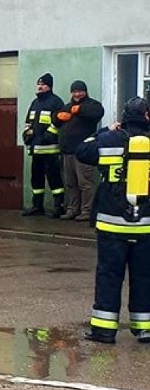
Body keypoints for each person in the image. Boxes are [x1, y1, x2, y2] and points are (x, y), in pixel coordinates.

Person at [75, 96, 150, 345]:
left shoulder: (109, 139)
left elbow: (82, 151)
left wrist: (106, 130)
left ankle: (104, 330)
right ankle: (144, 328)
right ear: (147, 116)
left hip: (111, 223)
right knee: (144, 276)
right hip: (146, 225)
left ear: (124, 117)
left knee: (109, 274)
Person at [54, 80, 104, 220]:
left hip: (83, 153)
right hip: (67, 151)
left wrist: (80, 110)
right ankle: (72, 210)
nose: (77, 94)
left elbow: (98, 113)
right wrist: (57, 117)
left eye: (80, 91)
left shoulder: (92, 105)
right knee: (71, 184)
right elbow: (55, 120)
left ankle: (87, 211)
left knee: (85, 183)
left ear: (85, 92)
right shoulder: (67, 106)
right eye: (74, 91)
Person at [21, 74, 65, 217]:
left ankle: (58, 207)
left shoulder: (56, 102)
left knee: (54, 179)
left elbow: (59, 123)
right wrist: (27, 134)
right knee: (36, 179)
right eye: (38, 84)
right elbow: (29, 121)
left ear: (49, 86)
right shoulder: (35, 103)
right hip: (36, 150)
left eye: (43, 84)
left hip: (50, 150)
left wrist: (47, 136)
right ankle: (37, 206)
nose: (40, 87)